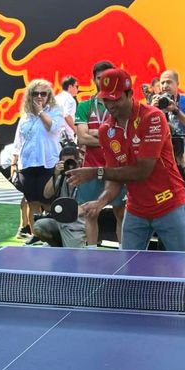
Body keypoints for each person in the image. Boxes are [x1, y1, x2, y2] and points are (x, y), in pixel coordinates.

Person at [67, 68, 185, 251]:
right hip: (136, 210)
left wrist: (96, 172)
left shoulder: (153, 118)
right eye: (106, 99)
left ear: (129, 94)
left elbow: (142, 171)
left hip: (169, 204)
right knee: (127, 271)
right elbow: (115, 177)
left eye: (116, 98)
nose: (111, 105)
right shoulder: (106, 131)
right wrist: (100, 203)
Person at [74, 60, 127, 246]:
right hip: (90, 167)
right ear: (94, 80)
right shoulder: (85, 106)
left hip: (116, 168)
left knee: (120, 211)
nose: (103, 81)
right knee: (90, 212)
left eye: (107, 77)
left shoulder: (120, 105)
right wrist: (108, 140)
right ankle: (91, 255)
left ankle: (124, 254)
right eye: (99, 78)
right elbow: (82, 138)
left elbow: (124, 138)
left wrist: (95, 133)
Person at [12, 78, 66, 237]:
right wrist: (14, 164)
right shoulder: (26, 116)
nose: (40, 96)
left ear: (49, 95)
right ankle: (35, 236)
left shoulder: (56, 111)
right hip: (27, 165)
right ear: (30, 95)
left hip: (47, 164)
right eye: (36, 93)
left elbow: (53, 127)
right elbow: (18, 141)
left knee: (48, 202)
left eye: (44, 93)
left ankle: (54, 235)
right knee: (32, 202)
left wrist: (41, 111)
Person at [32, 144, 86, 248]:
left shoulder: (84, 177)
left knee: (72, 258)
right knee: (39, 227)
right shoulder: (61, 177)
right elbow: (46, 194)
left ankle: (66, 244)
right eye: (64, 162)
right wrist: (55, 174)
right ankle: (57, 245)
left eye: (70, 162)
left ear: (78, 162)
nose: (68, 165)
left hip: (77, 225)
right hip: (59, 222)